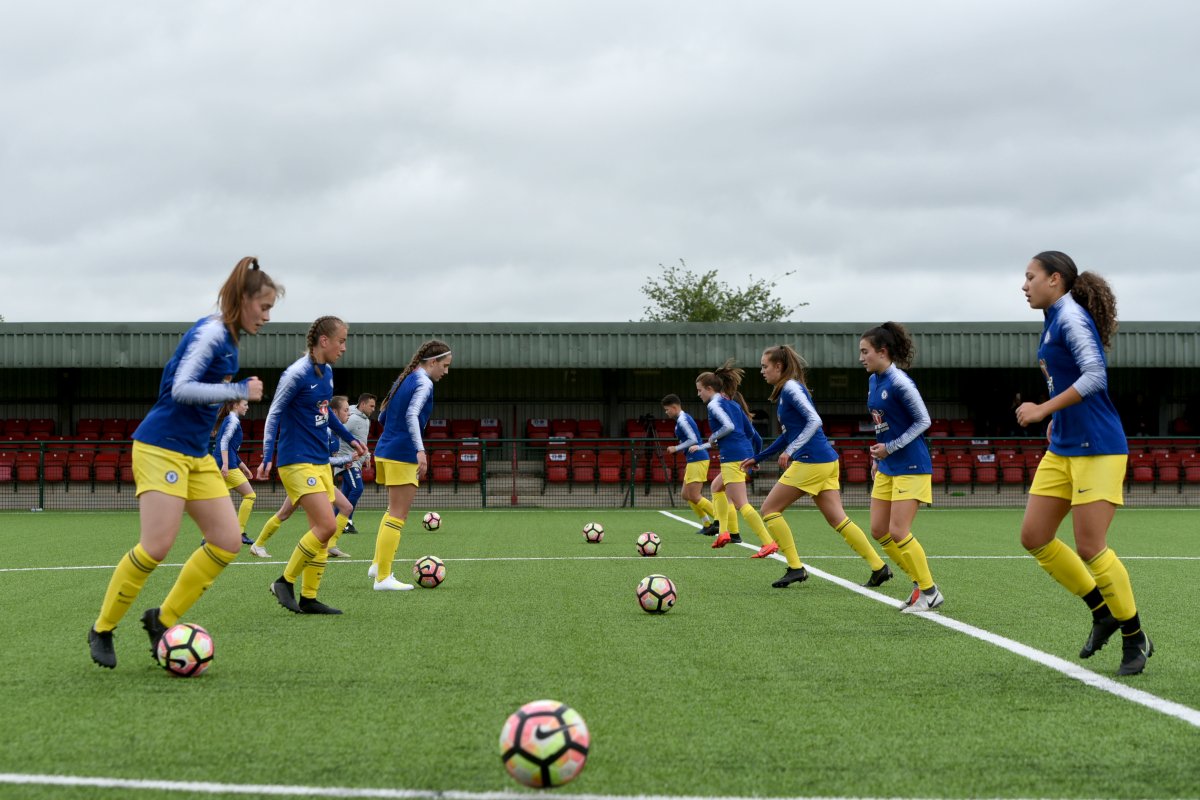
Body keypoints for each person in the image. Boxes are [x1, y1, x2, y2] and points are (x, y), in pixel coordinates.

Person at [88, 256, 279, 669]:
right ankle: (102, 629)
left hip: (196, 454)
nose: (267, 317)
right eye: (263, 307)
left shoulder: (229, 340)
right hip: (161, 447)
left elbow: (202, 393)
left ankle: (162, 619)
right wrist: (237, 387)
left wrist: (229, 392)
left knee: (227, 542)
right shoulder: (211, 331)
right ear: (243, 299)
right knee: (156, 546)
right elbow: (180, 389)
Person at [1016, 251, 1150, 675]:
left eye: (1030, 277)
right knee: (1035, 536)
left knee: (1090, 545)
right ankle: (1102, 611)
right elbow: (1068, 377)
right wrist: (1058, 418)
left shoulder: (1070, 317)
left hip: (1099, 446)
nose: (1024, 285)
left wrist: (1042, 410)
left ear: (1055, 280)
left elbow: (1095, 377)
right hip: (1065, 446)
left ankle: (1134, 636)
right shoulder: (1052, 318)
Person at [742, 345, 891, 588]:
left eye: (764, 366)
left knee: (769, 510)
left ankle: (795, 567)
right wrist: (759, 457)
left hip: (812, 460)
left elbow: (814, 420)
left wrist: (791, 451)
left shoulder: (790, 388)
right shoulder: (788, 390)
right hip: (826, 461)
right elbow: (789, 434)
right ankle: (878, 566)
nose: (762, 371)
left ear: (778, 367)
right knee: (838, 519)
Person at [259, 317, 367, 615]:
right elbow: (274, 413)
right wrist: (268, 454)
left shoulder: (327, 372)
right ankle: (284, 581)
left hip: (319, 461)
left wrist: (349, 438)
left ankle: (309, 597)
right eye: (341, 340)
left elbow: (326, 413)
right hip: (296, 461)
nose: (344, 347)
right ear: (324, 341)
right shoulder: (295, 374)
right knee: (327, 525)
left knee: (320, 533)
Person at [860, 322, 945, 613]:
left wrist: (890, 448)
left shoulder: (901, 383)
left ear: (882, 352)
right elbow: (882, 426)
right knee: (879, 530)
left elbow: (924, 421)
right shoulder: (873, 381)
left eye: (865, 351)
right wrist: (877, 458)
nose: (861, 357)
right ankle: (919, 584)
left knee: (898, 530)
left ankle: (930, 592)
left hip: (911, 464)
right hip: (886, 465)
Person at [369, 340, 452, 591]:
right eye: (445, 366)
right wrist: (420, 449)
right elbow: (412, 415)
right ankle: (383, 578)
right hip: (401, 453)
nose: (446, 372)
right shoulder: (424, 382)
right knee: (398, 515)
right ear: (433, 362)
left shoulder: (405, 378)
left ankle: (377, 564)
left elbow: (382, 415)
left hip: (385, 449)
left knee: (391, 511)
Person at [249, 396, 357, 559]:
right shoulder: (323, 431)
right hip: (310, 476)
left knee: (345, 508)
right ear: (333, 412)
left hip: (321, 476)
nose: (349, 414)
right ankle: (260, 546)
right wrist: (346, 459)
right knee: (292, 515)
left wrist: (344, 462)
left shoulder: (333, 434)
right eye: (346, 410)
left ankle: (330, 546)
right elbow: (321, 458)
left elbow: (325, 460)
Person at [688, 362, 776, 559]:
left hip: (732, 457)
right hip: (742, 454)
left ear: (710, 389)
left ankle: (768, 542)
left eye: (700, 390)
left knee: (742, 503)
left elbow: (727, 426)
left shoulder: (714, 404)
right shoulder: (735, 405)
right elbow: (755, 436)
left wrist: (712, 438)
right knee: (716, 487)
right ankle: (724, 533)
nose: (699, 394)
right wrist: (755, 457)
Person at [661, 394, 718, 536]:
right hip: (693, 459)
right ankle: (707, 524)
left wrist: (676, 448)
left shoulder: (683, 420)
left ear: (674, 407)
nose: (666, 413)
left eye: (667, 410)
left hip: (698, 458)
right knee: (686, 495)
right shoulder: (681, 419)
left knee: (694, 495)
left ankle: (722, 521)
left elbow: (693, 440)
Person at [214, 398, 257, 546]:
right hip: (226, 465)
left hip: (224, 463)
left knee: (219, 502)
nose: (247, 407)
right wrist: (226, 465)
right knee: (250, 495)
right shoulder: (233, 420)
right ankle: (239, 533)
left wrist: (243, 466)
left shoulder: (230, 419)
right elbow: (224, 442)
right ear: (236, 405)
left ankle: (208, 537)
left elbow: (230, 448)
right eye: (245, 404)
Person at [336, 392, 376, 535]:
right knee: (358, 489)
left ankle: (335, 521)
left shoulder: (366, 420)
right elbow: (338, 433)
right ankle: (346, 521)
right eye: (371, 406)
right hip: (348, 462)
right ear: (363, 404)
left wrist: (367, 455)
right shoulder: (352, 419)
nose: (373, 409)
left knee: (345, 494)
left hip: (356, 462)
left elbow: (361, 440)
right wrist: (342, 457)